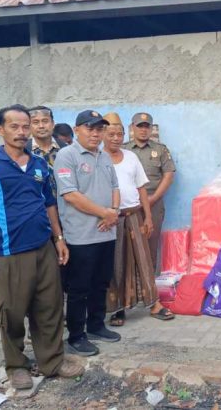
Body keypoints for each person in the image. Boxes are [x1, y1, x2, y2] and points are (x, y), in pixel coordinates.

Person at [0, 104, 83, 390]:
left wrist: (59, 239)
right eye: (14, 126)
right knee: (12, 312)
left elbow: (49, 203)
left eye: (25, 126)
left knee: (50, 308)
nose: (21, 132)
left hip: (44, 248)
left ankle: (51, 361)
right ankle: (17, 365)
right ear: (0, 130)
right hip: (9, 252)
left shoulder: (39, 164)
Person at [55, 110, 121, 356]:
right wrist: (105, 213)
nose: (95, 133)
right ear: (76, 130)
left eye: (99, 129)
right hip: (81, 236)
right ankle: (76, 335)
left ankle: (96, 325)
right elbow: (71, 195)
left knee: (100, 283)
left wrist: (113, 212)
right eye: (90, 128)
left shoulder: (104, 156)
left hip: (106, 232)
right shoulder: (66, 156)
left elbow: (115, 187)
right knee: (78, 288)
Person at [102, 113, 175, 326]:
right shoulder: (97, 158)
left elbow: (142, 186)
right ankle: (118, 308)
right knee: (116, 263)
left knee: (144, 260)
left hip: (135, 214)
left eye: (119, 134)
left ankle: (154, 303)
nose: (115, 138)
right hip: (112, 218)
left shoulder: (132, 156)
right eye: (111, 134)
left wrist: (148, 216)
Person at [126, 112, 175, 271]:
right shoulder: (123, 150)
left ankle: (150, 281)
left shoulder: (160, 150)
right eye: (140, 126)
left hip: (153, 203)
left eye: (147, 126)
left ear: (151, 129)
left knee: (150, 243)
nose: (143, 130)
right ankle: (131, 282)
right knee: (128, 245)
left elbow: (168, 175)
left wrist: (152, 199)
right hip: (129, 205)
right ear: (133, 127)